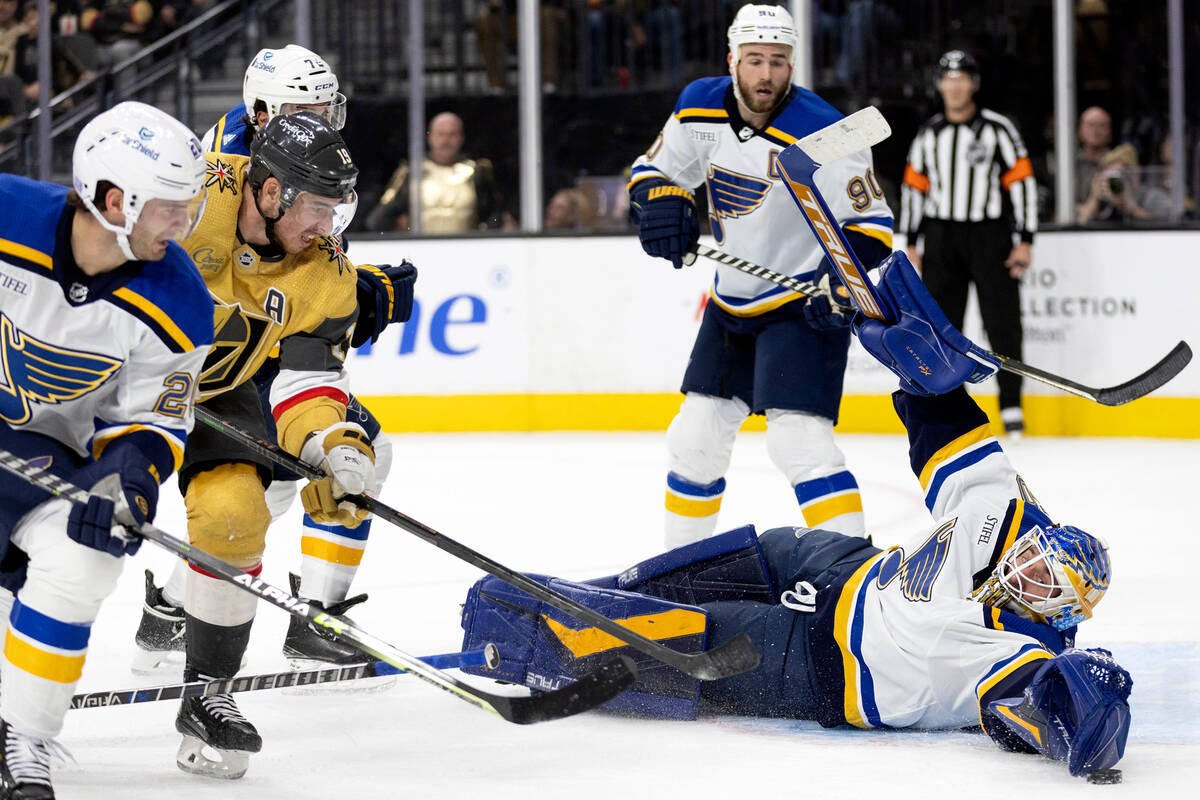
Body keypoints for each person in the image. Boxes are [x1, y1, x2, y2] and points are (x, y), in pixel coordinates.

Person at [459, 251, 1131, 779]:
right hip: (839, 567)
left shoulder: (1021, 651)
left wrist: (1084, 706)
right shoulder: (1009, 514)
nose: (1028, 568)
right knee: (662, 582)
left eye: (1047, 581)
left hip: (818, 662)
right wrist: (931, 382)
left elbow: (1040, 713)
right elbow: (953, 440)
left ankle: (519, 636)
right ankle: (560, 600)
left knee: (675, 640)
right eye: (1037, 556)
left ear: (1064, 614)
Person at [134, 43, 415, 679]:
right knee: (263, 486)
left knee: (311, 470)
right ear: (263, 115)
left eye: (325, 109)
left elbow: (307, 313)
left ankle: (184, 608)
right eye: (303, 110)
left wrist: (351, 299)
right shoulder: (203, 179)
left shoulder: (305, 171)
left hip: (239, 358)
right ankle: (200, 605)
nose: (320, 122)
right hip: (184, 363)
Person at [0, 101, 211, 798]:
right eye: (170, 210)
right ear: (115, 200)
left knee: (87, 555)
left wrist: (128, 482)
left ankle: (22, 735)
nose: (184, 226)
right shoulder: (5, 215)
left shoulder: (179, 299)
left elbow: (155, 419)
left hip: (49, 467)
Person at [628, 4, 893, 548]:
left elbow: (872, 227)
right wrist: (660, 202)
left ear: (792, 63)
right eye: (754, 60)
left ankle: (852, 575)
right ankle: (681, 569)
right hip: (732, 304)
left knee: (800, 442)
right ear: (732, 60)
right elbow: (653, 170)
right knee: (695, 438)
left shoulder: (827, 130)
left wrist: (840, 280)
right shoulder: (698, 105)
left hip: (804, 302)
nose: (766, 73)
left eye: (777, 60)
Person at [163, 112, 377, 780]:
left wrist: (330, 440)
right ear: (271, 191)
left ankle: (208, 696)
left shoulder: (325, 271)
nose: (328, 227)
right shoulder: (193, 192)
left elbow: (306, 377)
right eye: (318, 208)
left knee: (234, 517)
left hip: (215, 393)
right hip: (106, 378)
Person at [900, 50, 1037, 438]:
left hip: (989, 234)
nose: (955, 85)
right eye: (948, 78)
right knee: (943, 325)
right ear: (940, 84)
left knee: (1003, 321)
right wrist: (912, 241)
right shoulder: (929, 133)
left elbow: (1022, 182)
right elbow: (914, 190)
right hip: (942, 236)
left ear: (973, 84)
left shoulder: (997, 129)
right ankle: (953, 403)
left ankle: (1011, 404)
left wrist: (1025, 239)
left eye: (962, 78)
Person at [365, 111, 514, 233]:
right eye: (441, 134)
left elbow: (496, 215)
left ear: (461, 138)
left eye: (452, 135)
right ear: (430, 138)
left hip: (467, 251)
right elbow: (378, 219)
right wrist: (400, 226)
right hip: (420, 250)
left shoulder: (476, 172)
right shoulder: (413, 173)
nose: (445, 141)